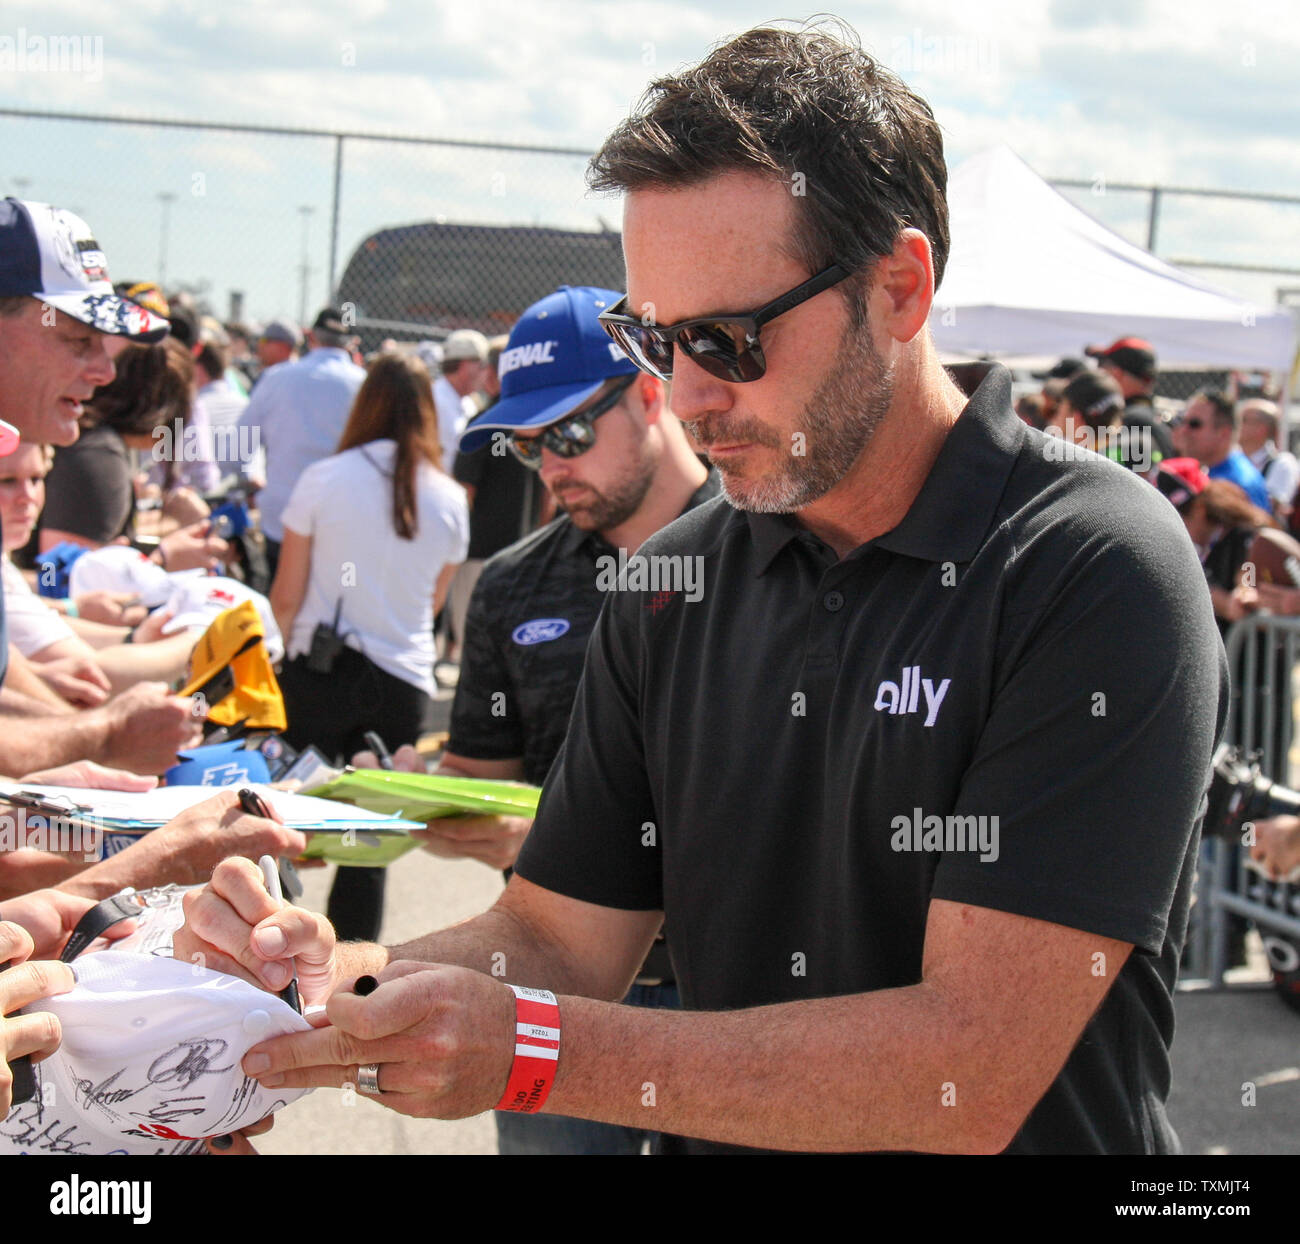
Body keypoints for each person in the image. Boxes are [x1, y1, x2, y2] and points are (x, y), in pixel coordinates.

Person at [176, 22, 1227, 1156]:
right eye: (654, 338)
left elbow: (968, 1068)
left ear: (898, 288)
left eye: (725, 339)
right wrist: (320, 981)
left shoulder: (1093, 563)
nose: (683, 396)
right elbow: (559, 939)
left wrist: (535, 1049)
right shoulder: (680, 574)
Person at [380, 284, 716, 1154]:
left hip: (734, 990)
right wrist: (432, 799)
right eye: (529, 447)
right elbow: (486, 782)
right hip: (553, 987)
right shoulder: (514, 584)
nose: (553, 467)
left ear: (652, 392)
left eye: (567, 434)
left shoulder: (769, 552)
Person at [269, 352, 468, 940]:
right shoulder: (450, 499)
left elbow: (285, 595)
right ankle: (350, 987)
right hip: (401, 685)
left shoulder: (323, 479)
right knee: (367, 849)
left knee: (277, 830)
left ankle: (265, 968)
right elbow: (433, 604)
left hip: (318, 677)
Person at [240, 307, 365, 579]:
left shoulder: (276, 378)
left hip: (281, 516)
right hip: (340, 519)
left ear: (310, 336)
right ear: (352, 343)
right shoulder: (364, 385)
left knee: (279, 604)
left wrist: (248, 480)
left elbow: (239, 444)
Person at [446, 334, 544, 661]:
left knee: (474, 647)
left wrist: (452, 548)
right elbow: (549, 496)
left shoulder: (482, 425)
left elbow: (464, 493)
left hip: (479, 555)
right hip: (526, 550)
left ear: (494, 374)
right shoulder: (541, 421)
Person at [1172, 388, 1273, 513]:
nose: (1183, 430)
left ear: (1223, 433)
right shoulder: (1208, 470)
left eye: (1194, 424)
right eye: (1183, 421)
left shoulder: (1239, 485)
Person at [1085, 336, 1173, 469]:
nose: (1099, 372)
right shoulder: (1154, 417)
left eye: (1102, 365)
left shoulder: (1130, 420)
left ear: (1117, 373)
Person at [433, 330, 488, 474]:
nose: (486, 372)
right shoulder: (435, 401)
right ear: (465, 365)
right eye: (482, 364)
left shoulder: (467, 402)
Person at [1237, 398, 1299, 523]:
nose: (1235, 425)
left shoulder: (1282, 463)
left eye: (1243, 420)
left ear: (1261, 429)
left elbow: (1271, 505)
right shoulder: (1231, 458)